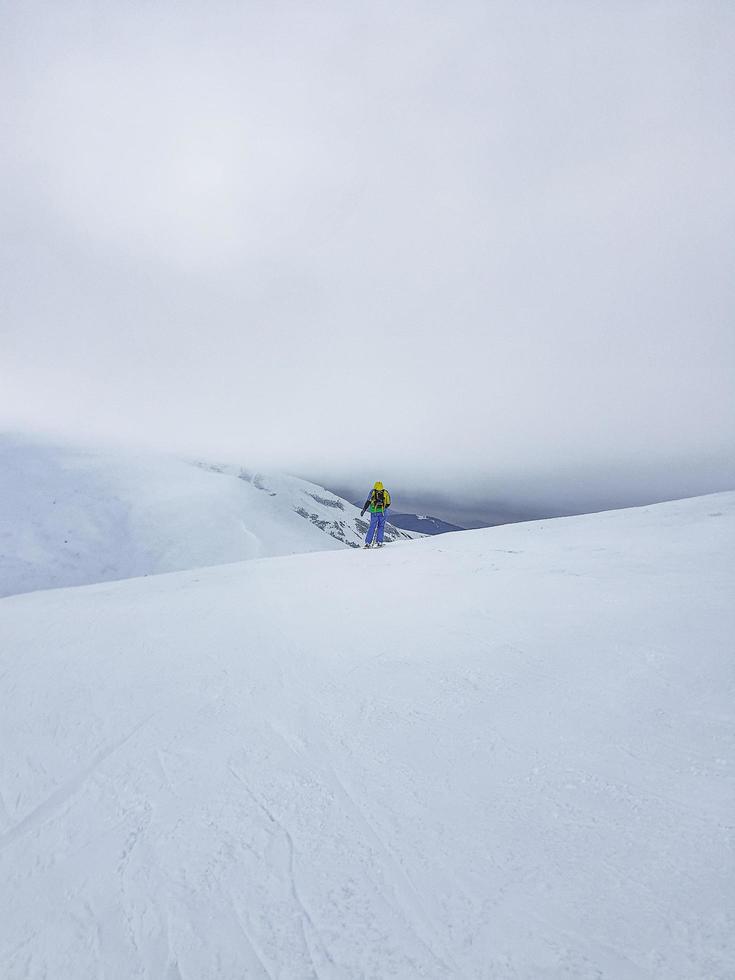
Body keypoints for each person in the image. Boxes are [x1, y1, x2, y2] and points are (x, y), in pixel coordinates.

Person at [360, 481, 391, 548]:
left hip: (374, 512)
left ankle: (368, 543)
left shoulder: (372, 492)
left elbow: (368, 502)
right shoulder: (385, 492)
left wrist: (364, 510)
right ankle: (379, 542)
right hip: (383, 512)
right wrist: (384, 508)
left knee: (372, 527)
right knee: (381, 526)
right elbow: (388, 503)